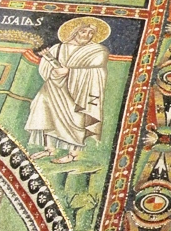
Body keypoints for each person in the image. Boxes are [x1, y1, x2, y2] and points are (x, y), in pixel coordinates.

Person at [25, 17, 109, 164]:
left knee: (76, 120)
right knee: (44, 112)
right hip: (53, 87)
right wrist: (52, 69)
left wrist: (70, 72)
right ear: (75, 31)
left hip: (78, 92)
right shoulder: (57, 48)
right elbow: (45, 69)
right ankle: (49, 148)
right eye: (83, 31)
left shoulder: (97, 51)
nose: (87, 35)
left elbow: (97, 71)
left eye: (91, 33)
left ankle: (74, 154)